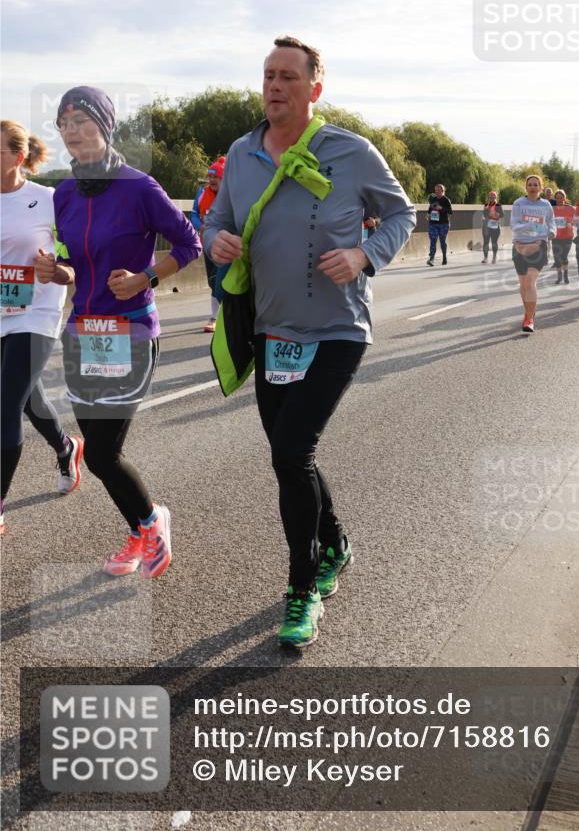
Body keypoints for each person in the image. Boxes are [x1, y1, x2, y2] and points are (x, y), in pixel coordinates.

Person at [205, 36, 415, 648]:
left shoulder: (349, 152)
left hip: (337, 329)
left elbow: (400, 215)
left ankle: (302, 590)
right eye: (268, 75)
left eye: (287, 77)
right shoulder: (241, 155)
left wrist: (364, 254)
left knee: (291, 452)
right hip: (271, 329)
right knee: (289, 453)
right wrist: (216, 240)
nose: (274, 85)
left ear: (314, 89)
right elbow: (216, 218)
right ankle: (338, 542)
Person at [35, 87, 201, 577]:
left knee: (104, 454)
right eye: (64, 123)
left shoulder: (139, 187)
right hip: (82, 332)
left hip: (129, 331)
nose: (73, 131)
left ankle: (152, 521)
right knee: (102, 448)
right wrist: (56, 271)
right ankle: (137, 530)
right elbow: (74, 266)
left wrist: (143, 278)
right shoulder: (64, 193)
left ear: (105, 128)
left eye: (82, 121)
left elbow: (190, 243)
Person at [1, 121, 83, 535]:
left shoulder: (48, 200)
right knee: (29, 400)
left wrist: (60, 272)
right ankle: (66, 447)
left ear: (18, 158)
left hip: (36, 312)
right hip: (0, 312)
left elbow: (74, 257)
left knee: (4, 405)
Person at [510, 175, 556, 332]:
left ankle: (529, 319)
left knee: (530, 281)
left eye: (536, 184)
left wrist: (551, 231)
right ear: (526, 187)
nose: (532, 187)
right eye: (529, 184)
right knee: (523, 285)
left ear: (540, 187)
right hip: (519, 246)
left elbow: (551, 222)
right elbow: (514, 225)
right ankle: (528, 312)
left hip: (539, 245)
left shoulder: (546, 204)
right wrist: (532, 224)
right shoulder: (518, 203)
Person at [191, 156, 225, 332]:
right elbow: (195, 214)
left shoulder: (233, 194)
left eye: (215, 177)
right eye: (210, 176)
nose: (211, 180)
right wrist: (201, 226)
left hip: (226, 247)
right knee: (213, 282)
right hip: (208, 245)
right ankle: (216, 316)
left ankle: (217, 317)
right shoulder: (202, 193)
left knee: (221, 283)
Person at [551, 189, 575, 284]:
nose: (559, 200)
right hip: (556, 237)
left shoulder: (570, 208)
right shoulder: (552, 209)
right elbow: (548, 221)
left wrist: (570, 221)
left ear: (564, 198)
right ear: (555, 199)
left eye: (561, 198)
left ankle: (565, 275)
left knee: (564, 256)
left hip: (567, 237)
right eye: (557, 198)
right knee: (557, 257)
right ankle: (559, 277)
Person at [426, 183, 452, 266]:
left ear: (443, 191)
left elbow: (451, 212)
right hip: (433, 223)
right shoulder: (433, 199)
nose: (437, 192)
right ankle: (432, 259)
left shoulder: (446, 200)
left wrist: (441, 208)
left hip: (443, 224)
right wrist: (428, 214)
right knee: (433, 240)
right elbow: (430, 208)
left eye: (438, 190)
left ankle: (444, 257)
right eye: (436, 190)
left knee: (442, 241)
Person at [481, 191, 504, 263]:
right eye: (491, 196)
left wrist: (497, 215)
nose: (492, 198)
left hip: (495, 226)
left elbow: (502, 215)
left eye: (493, 196)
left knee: (494, 242)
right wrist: (483, 217)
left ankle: (494, 257)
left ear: (495, 197)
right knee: (485, 242)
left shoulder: (498, 205)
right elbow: (484, 214)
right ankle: (485, 258)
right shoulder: (486, 205)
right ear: (489, 197)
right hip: (486, 226)